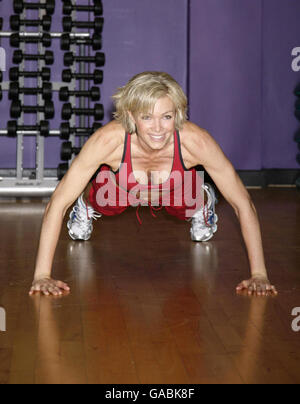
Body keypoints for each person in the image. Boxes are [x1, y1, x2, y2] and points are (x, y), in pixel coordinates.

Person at [29, 71, 278, 297]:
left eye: (166, 116)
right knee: (105, 196)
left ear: (177, 115)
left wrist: (259, 274)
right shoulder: (108, 141)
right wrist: (42, 275)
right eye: (147, 117)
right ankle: (85, 205)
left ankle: (203, 206)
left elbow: (242, 203)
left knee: (191, 197)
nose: (158, 128)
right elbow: (59, 202)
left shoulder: (196, 142)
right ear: (130, 116)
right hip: (123, 190)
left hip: (175, 189)